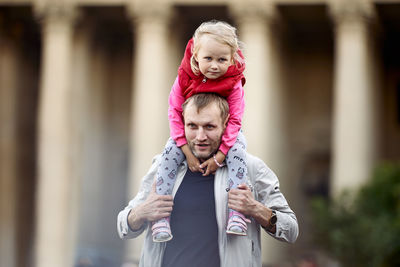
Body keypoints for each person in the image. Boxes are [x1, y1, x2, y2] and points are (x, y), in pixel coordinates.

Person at [117, 93, 299, 267]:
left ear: (226, 125)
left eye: (209, 127)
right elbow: (123, 225)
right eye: (192, 126)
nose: (200, 136)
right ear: (182, 126)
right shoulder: (163, 166)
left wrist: (255, 208)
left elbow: (291, 230)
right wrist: (141, 212)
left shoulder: (252, 168)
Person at [154, 20, 249, 242]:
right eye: (208, 58)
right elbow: (174, 112)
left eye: (222, 60)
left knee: (239, 153)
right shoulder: (184, 76)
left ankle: (237, 213)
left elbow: (235, 120)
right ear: (196, 55)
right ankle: (160, 217)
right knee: (168, 155)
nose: (215, 66)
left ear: (232, 58)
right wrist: (186, 151)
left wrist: (220, 156)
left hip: (227, 136)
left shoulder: (234, 82)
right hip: (183, 138)